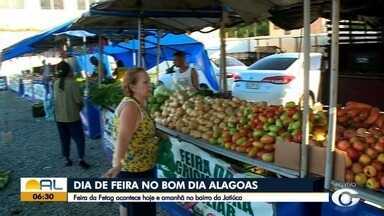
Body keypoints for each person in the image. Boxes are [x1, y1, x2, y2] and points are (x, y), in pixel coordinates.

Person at [104, 68, 159, 216]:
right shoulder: (131, 107)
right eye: (145, 82)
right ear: (132, 86)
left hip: (141, 169)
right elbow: (123, 138)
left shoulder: (139, 103)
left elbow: (139, 129)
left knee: (129, 209)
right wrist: (117, 165)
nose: (150, 85)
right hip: (136, 172)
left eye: (149, 81)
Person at [54, 61, 90, 169]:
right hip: (72, 117)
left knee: (64, 139)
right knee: (79, 139)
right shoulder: (72, 83)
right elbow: (78, 100)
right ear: (69, 70)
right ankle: (81, 159)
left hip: (60, 118)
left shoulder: (56, 83)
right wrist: (79, 108)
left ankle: (66, 159)